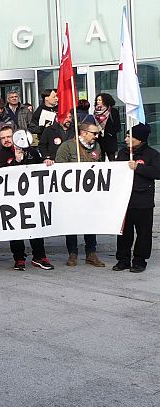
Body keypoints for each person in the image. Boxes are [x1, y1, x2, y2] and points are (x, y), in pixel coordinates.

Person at [0, 126, 54, 271]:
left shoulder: (31, 152)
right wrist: (17, 161)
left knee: (35, 226)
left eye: (9, 136)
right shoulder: (0, 156)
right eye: (3, 138)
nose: (6, 140)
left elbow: (40, 168)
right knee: (15, 229)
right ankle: (19, 258)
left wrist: (47, 163)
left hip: (32, 197)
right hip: (12, 199)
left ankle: (39, 256)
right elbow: (2, 177)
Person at [55, 120, 104, 267]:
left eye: (97, 133)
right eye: (94, 133)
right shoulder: (67, 146)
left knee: (90, 222)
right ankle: (73, 253)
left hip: (90, 193)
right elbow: (59, 167)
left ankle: (91, 253)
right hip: (72, 194)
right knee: (72, 223)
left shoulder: (97, 147)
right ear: (83, 133)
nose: (96, 136)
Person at [114, 123, 160, 273]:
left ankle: (140, 261)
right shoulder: (123, 153)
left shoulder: (152, 154)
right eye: (126, 136)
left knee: (143, 233)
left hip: (143, 200)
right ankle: (123, 260)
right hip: (124, 200)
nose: (126, 139)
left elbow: (157, 172)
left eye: (129, 136)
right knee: (124, 233)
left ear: (139, 139)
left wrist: (138, 168)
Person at [94, 93, 121, 161]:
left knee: (111, 158)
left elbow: (117, 125)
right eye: (97, 100)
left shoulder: (113, 111)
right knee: (100, 158)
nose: (98, 101)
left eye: (100, 100)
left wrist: (110, 133)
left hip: (110, 139)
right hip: (99, 139)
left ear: (105, 100)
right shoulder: (96, 112)